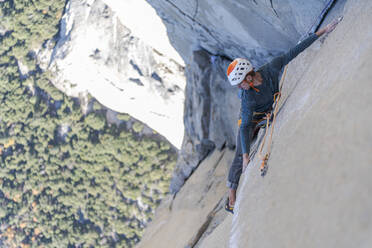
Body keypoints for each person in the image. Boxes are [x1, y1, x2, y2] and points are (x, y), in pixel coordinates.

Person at [224, 18, 341, 214]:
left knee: (246, 142)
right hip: (253, 118)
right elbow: (245, 126)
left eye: (240, 83)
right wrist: (245, 157)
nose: (239, 88)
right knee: (239, 152)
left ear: (249, 76)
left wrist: (323, 31)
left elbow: (292, 53)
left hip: (266, 112)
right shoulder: (247, 98)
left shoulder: (270, 69)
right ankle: (231, 195)